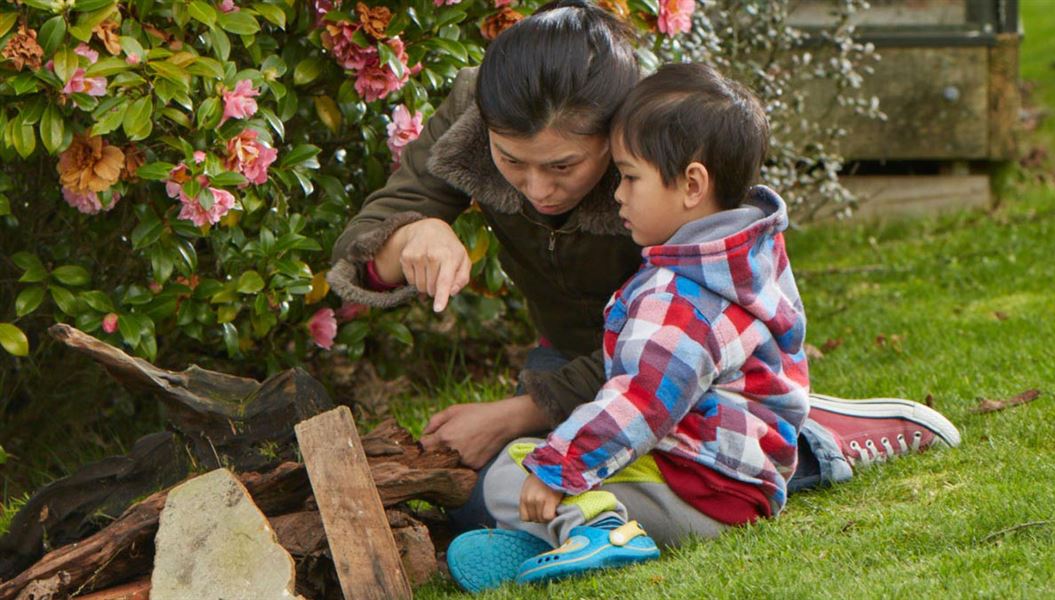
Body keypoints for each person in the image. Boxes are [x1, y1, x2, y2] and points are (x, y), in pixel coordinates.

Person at [327, 0, 959, 538]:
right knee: (478, 502)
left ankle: (809, 444)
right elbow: (365, 242)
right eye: (512, 161)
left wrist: (520, 413)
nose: (536, 188)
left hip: (694, 375)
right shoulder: (479, 103)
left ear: (617, 134)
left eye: (564, 166)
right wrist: (415, 232)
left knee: (510, 486)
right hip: (586, 365)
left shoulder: (672, 149)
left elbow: (673, 350)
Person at [445, 62, 808, 591]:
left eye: (630, 176)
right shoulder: (744, 252)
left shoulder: (681, 297)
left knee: (513, 471)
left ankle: (600, 531)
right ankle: (551, 546)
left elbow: (640, 401)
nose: (617, 194)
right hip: (736, 481)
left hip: (695, 491)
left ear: (691, 184)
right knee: (536, 473)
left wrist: (559, 467)